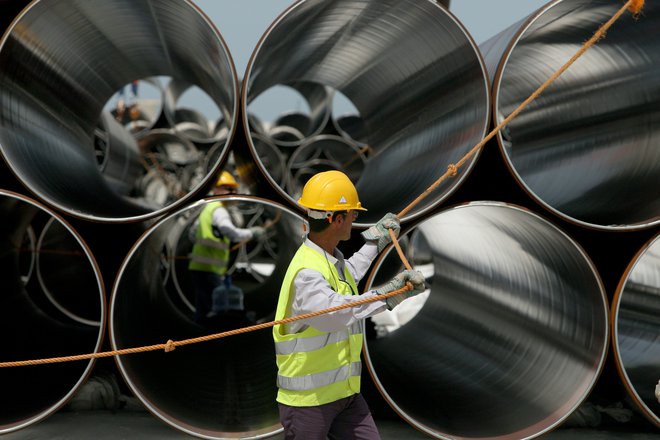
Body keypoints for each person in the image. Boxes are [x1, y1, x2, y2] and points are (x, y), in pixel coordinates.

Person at [272, 170, 426, 439]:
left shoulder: (327, 259)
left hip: (345, 396)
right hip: (309, 403)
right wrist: (388, 295)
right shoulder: (307, 273)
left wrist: (374, 243)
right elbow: (335, 313)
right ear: (336, 219)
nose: (355, 220)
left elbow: (347, 277)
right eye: (353, 214)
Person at [188, 171, 265, 326]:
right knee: (219, 308)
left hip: (200, 268)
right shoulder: (219, 210)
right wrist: (252, 233)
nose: (233, 193)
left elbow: (192, 233)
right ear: (216, 190)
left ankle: (198, 337)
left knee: (203, 309)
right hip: (209, 269)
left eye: (234, 189)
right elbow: (231, 233)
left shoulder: (208, 208)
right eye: (228, 189)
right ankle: (218, 340)